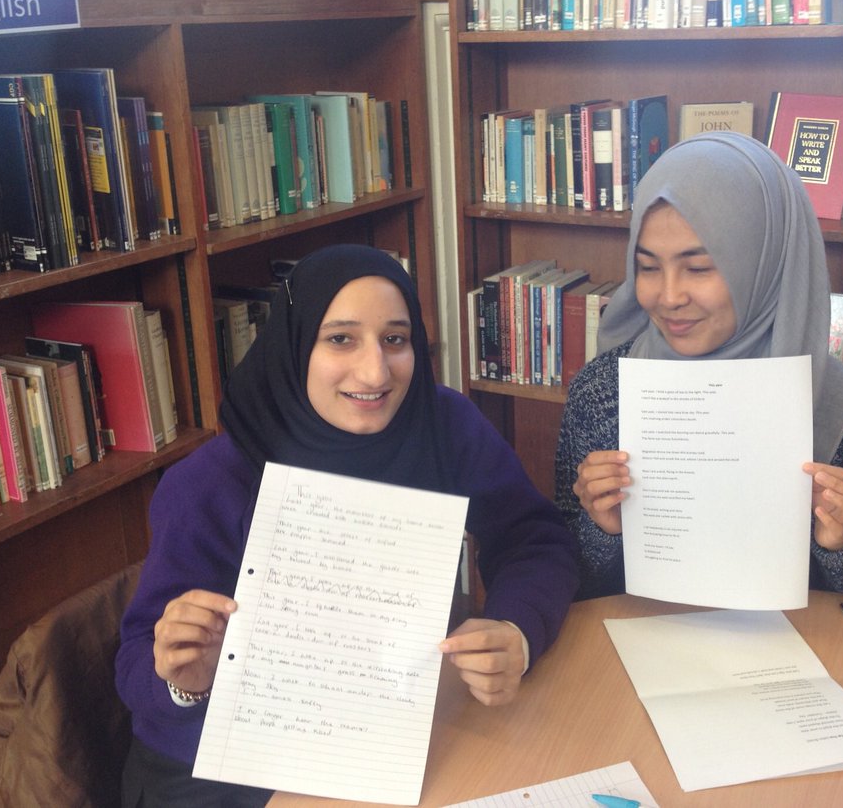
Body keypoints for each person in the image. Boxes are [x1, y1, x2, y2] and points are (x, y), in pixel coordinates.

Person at [117, 244, 578, 806]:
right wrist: (183, 682)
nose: (375, 371)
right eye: (340, 339)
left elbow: (534, 539)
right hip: (218, 768)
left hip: (387, 735)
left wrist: (516, 630)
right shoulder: (211, 482)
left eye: (395, 339)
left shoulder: (442, 425)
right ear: (296, 344)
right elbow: (136, 661)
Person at [556, 131, 843, 602]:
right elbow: (559, 575)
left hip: (796, 641)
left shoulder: (832, 400)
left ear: (762, 265)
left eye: (698, 268)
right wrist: (602, 528)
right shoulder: (603, 390)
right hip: (635, 638)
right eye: (648, 267)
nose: (669, 296)